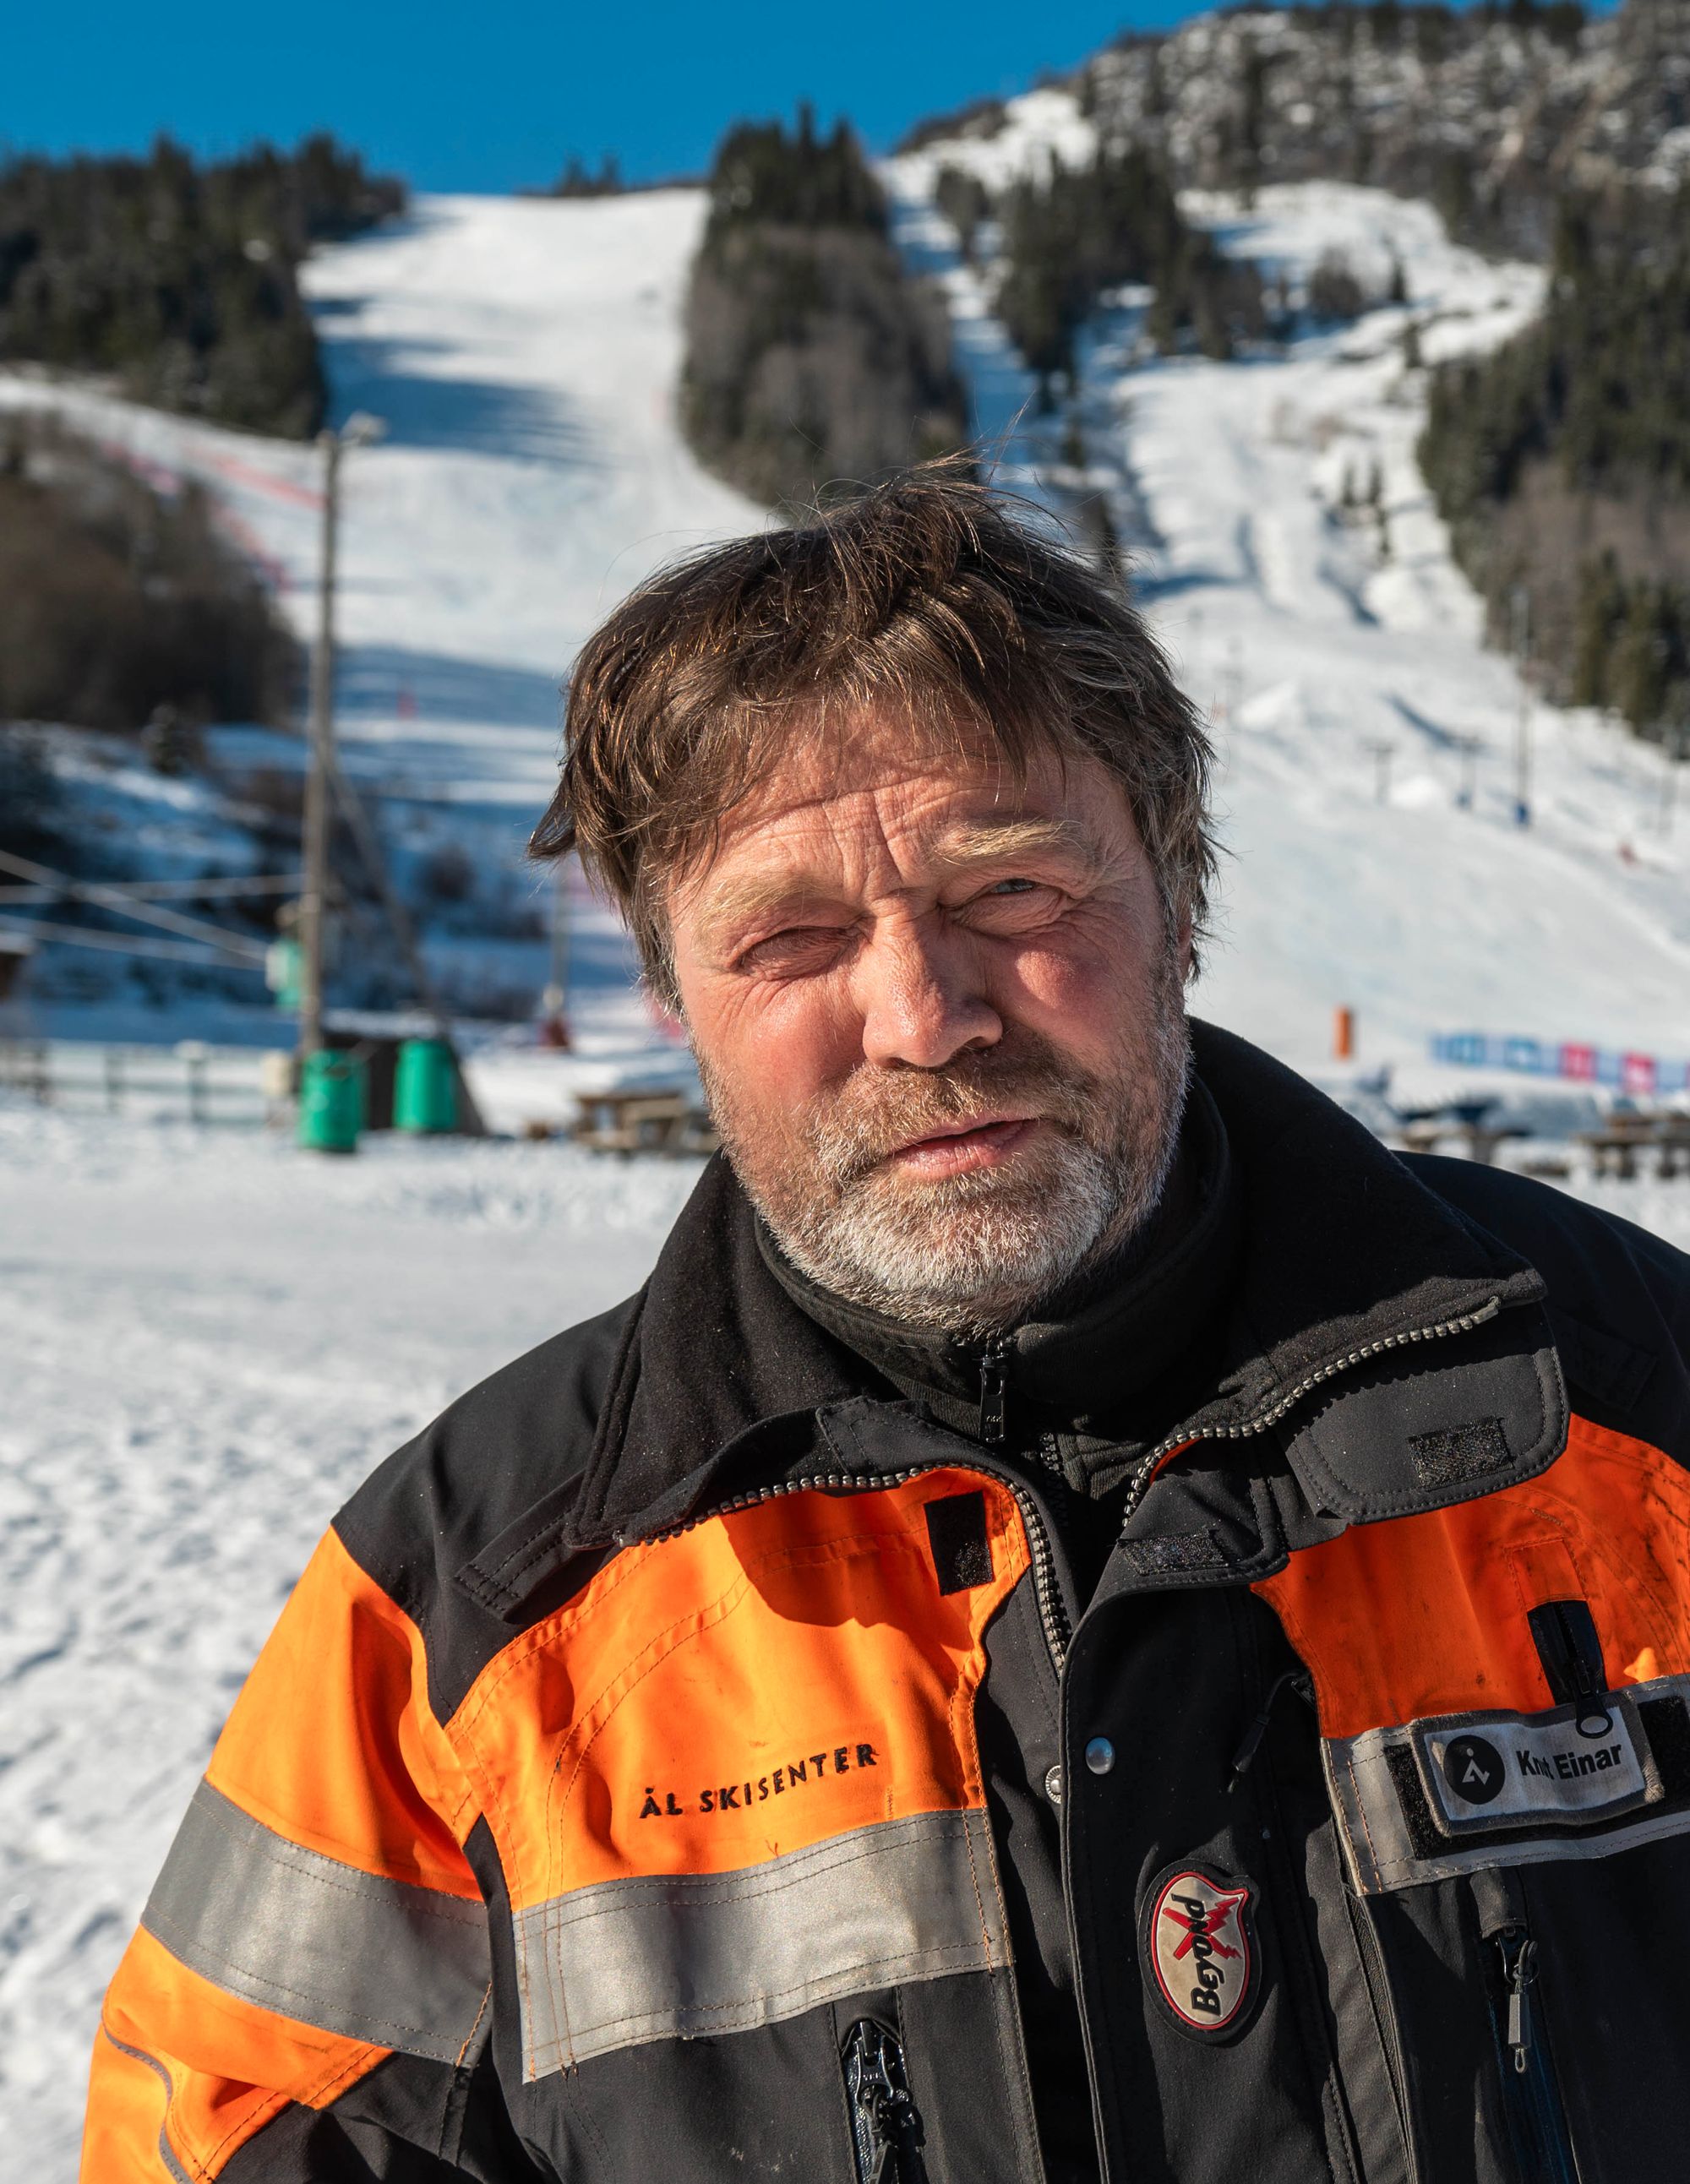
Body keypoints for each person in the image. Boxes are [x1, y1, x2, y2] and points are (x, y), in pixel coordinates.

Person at [84, 471, 1690, 2184]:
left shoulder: (1627, 1401)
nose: (925, 1014)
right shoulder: (475, 1607)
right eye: (792, 938)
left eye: (1011, 894)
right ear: (677, 998)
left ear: (1176, 895)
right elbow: (223, 2135)